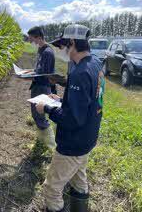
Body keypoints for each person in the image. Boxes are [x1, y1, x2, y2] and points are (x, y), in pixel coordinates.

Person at [36, 24, 105, 212]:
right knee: (78, 178)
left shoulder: (80, 73)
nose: (61, 50)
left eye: (62, 45)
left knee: (51, 188)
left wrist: (47, 108)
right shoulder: (95, 63)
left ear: (72, 42)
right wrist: (63, 99)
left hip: (73, 143)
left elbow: (72, 119)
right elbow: (87, 101)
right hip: (88, 137)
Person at [27, 26, 56, 149]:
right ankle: (41, 141)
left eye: (31, 39)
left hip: (42, 87)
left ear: (39, 37)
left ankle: (50, 144)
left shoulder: (47, 52)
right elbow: (39, 69)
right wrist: (29, 71)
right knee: (36, 114)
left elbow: (45, 74)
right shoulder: (41, 50)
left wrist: (28, 76)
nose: (30, 42)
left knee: (39, 115)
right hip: (37, 86)